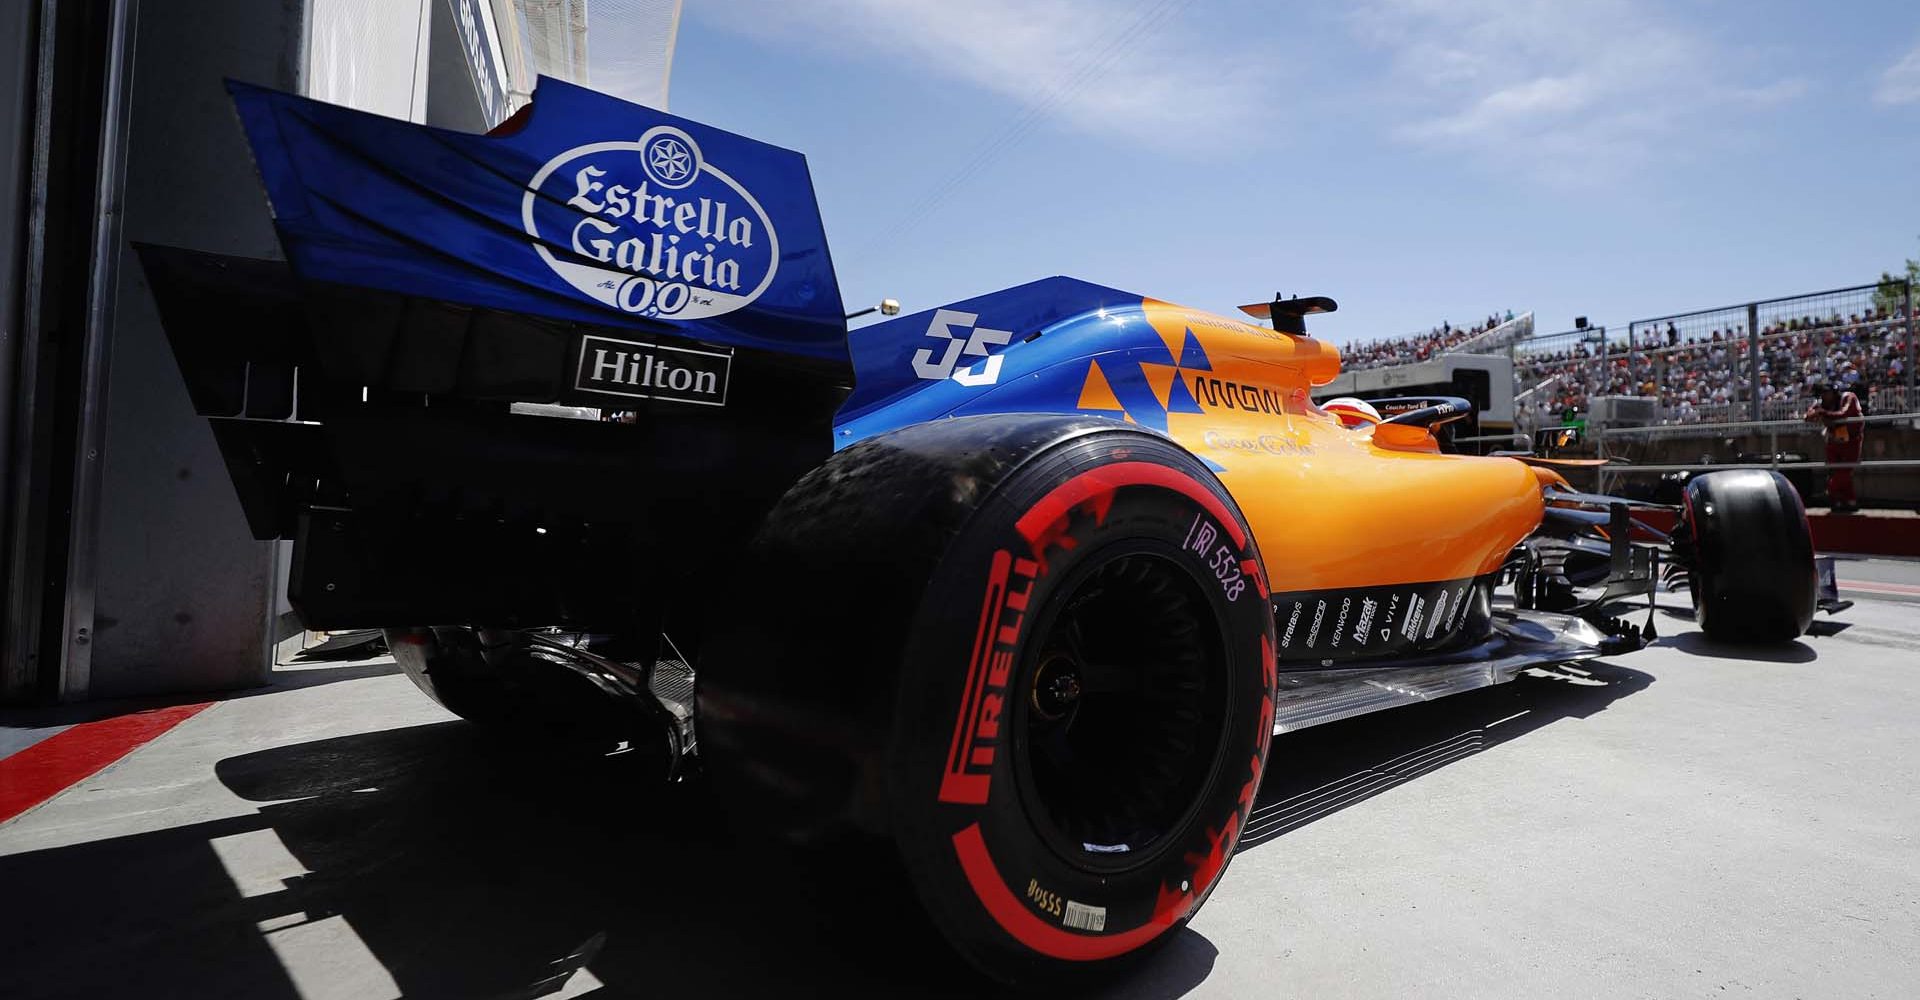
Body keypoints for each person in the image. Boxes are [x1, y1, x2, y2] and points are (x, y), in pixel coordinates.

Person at [1804, 382, 1864, 512]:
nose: (1825, 397)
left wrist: (1822, 413)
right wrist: (1816, 413)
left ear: (1835, 393)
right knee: (1836, 470)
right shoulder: (1822, 404)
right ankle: (1847, 500)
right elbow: (1808, 415)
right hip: (1834, 438)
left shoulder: (1849, 397)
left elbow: (1844, 413)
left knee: (1846, 470)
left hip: (1851, 440)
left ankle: (1831, 491)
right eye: (1823, 394)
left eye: (1828, 394)